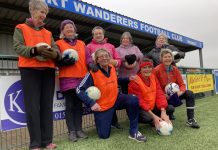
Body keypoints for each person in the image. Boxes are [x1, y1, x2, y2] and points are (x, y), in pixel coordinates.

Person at [13, 0, 60, 149]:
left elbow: (56, 50)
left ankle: (47, 141)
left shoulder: (48, 33)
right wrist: (35, 51)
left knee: (46, 106)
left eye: (45, 13)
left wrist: (54, 54)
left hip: (48, 71)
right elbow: (18, 47)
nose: (44, 16)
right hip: (29, 70)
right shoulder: (20, 28)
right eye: (41, 12)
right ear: (32, 10)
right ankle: (35, 144)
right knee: (32, 107)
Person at [76, 48, 147, 142]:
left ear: (110, 58)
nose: (105, 58)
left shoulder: (112, 67)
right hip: (103, 106)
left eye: (107, 56)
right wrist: (92, 103)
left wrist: (127, 79)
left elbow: (115, 80)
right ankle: (108, 120)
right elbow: (78, 89)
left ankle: (134, 131)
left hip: (116, 99)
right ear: (97, 60)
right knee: (103, 135)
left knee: (133, 99)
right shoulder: (92, 73)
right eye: (101, 57)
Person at [56, 20, 92, 142]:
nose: (69, 29)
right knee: (70, 105)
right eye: (66, 28)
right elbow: (55, 59)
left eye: (71, 27)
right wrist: (61, 62)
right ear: (63, 31)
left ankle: (79, 130)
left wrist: (91, 64)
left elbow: (88, 58)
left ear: (75, 30)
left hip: (81, 79)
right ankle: (71, 132)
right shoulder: (58, 43)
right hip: (67, 78)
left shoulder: (82, 43)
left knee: (78, 106)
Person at [153, 49, 200, 129]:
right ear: (161, 59)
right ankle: (166, 114)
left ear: (172, 58)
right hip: (162, 96)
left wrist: (180, 92)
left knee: (190, 93)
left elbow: (182, 84)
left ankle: (191, 119)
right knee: (170, 109)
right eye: (165, 57)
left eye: (169, 56)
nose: (168, 58)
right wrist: (163, 95)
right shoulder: (156, 70)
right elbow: (155, 87)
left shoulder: (175, 69)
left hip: (175, 94)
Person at [87, 26, 122, 129]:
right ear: (93, 35)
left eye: (100, 33)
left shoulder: (111, 46)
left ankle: (114, 121)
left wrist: (113, 62)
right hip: (97, 78)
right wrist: (91, 64)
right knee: (100, 99)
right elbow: (87, 60)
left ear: (103, 35)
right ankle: (101, 121)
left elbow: (118, 61)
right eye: (96, 34)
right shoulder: (88, 46)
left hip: (110, 75)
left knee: (112, 96)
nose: (98, 35)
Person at [128, 58, 173, 129]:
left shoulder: (153, 77)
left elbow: (159, 94)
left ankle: (160, 118)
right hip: (140, 109)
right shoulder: (135, 81)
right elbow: (140, 101)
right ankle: (153, 120)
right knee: (148, 118)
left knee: (170, 108)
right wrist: (153, 116)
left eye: (149, 67)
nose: (147, 69)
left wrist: (163, 111)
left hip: (151, 106)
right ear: (140, 69)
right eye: (144, 67)